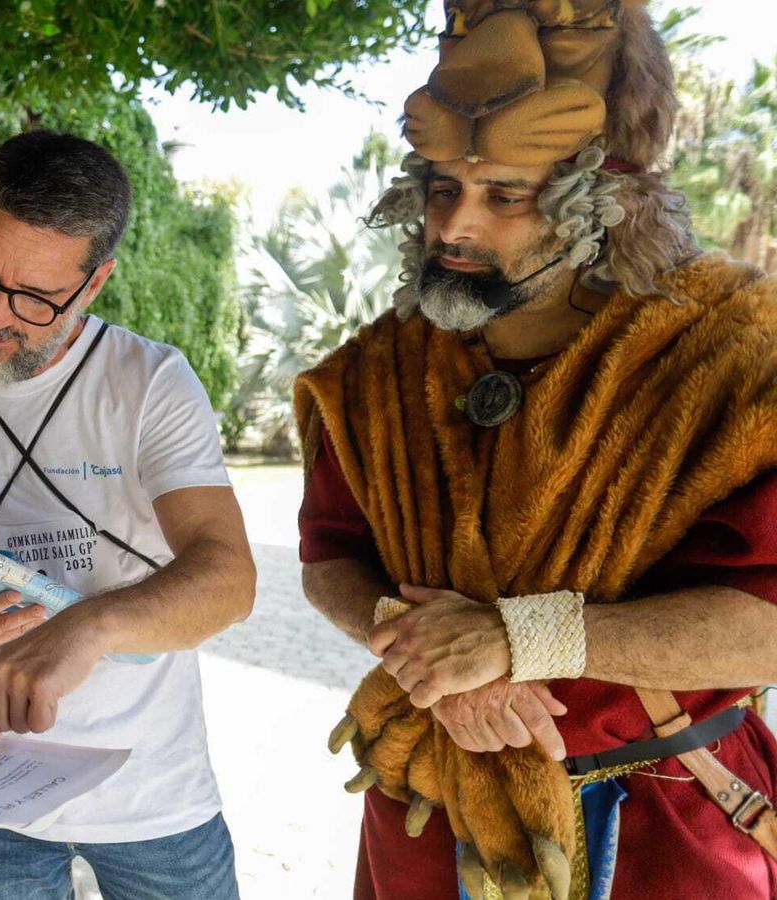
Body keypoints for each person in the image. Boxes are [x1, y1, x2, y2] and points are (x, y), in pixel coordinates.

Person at [295, 2, 777, 898]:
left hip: (662, 825)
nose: (455, 226)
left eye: (505, 196)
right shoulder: (375, 372)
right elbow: (330, 559)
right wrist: (425, 651)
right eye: (442, 188)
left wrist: (520, 641)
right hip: (430, 813)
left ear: (603, 200)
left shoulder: (733, 362)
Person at [0, 130, 257, 900]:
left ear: (95, 284)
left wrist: (85, 630)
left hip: (154, 798)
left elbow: (229, 577)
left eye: (35, 299)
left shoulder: (152, 382)